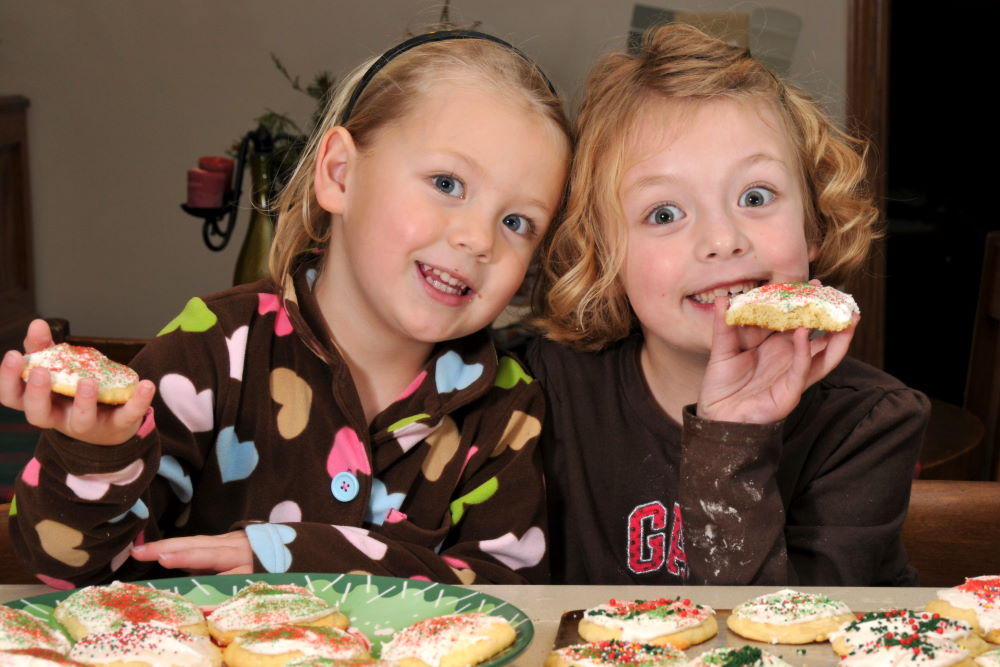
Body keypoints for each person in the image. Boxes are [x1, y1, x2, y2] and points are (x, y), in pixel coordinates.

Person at [0, 30, 570, 588]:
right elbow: (70, 569)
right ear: (340, 174)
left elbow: (503, 597)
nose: (479, 239)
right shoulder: (213, 347)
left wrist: (297, 553)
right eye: (447, 182)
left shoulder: (506, 411)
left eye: (517, 222)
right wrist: (93, 455)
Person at [528, 24, 928, 586]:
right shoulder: (541, 390)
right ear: (604, 257)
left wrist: (732, 438)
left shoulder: (868, 425)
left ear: (814, 225)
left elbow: (794, 642)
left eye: (755, 197)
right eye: (664, 214)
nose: (723, 238)